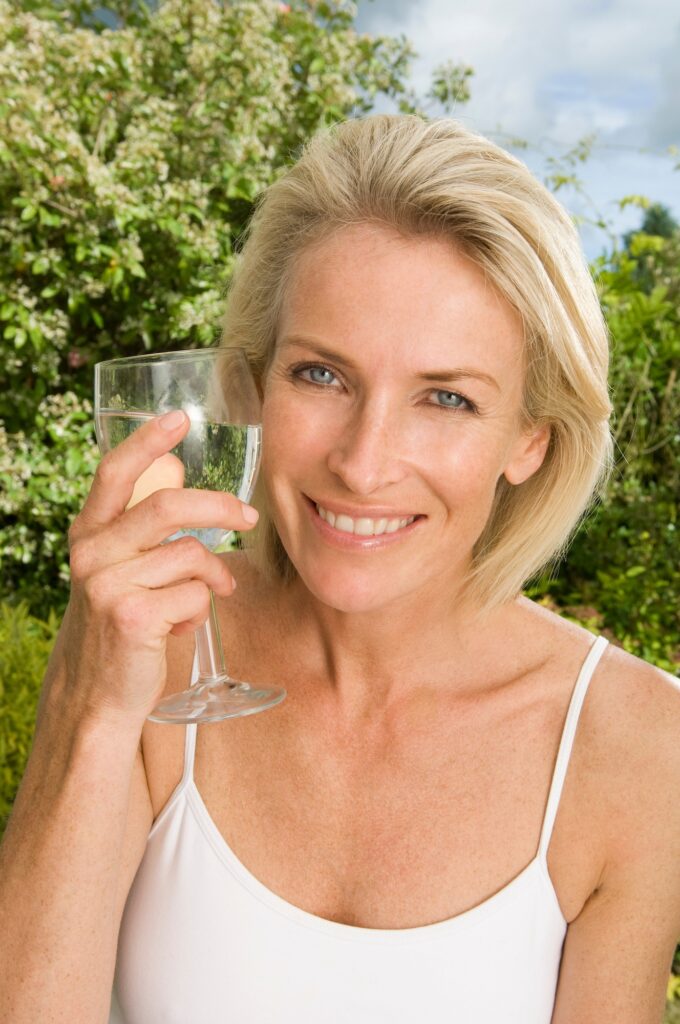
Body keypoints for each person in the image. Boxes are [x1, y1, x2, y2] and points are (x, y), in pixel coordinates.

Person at [1, 115, 678, 1024]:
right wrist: (92, 710)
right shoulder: (155, 648)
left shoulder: (640, 744)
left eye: (446, 397)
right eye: (322, 376)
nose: (364, 463)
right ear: (252, 387)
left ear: (530, 438)